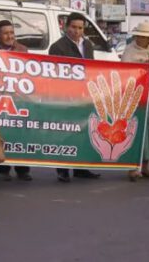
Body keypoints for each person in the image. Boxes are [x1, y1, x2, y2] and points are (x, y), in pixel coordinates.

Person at [49, 13, 102, 182]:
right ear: (66, 27)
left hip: (84, 94)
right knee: (65, 131)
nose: (76, 31)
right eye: (73, 27)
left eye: (80, 28)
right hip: (66, 95)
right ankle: (62, 169)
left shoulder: (88, 44)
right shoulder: (57, 47)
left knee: (83, 130)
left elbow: (91, 66)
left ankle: (81, 167)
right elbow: (54, 74)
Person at [120, 22, 149, 181]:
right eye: (143, 37)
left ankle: (145, 166)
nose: (146, 40)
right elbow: (124, 72)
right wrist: (142, 66)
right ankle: (133, 167)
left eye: (148, 37)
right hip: (135, 95)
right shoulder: (129, 50)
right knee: (135, 130)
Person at [0, 20, 31, 181]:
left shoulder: (23, 50)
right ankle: (2, 169)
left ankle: (23, 169)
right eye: (6, 33)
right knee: (1, 132)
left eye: (12, 33)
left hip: (18, 98)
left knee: (21, 132)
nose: (10, 36)